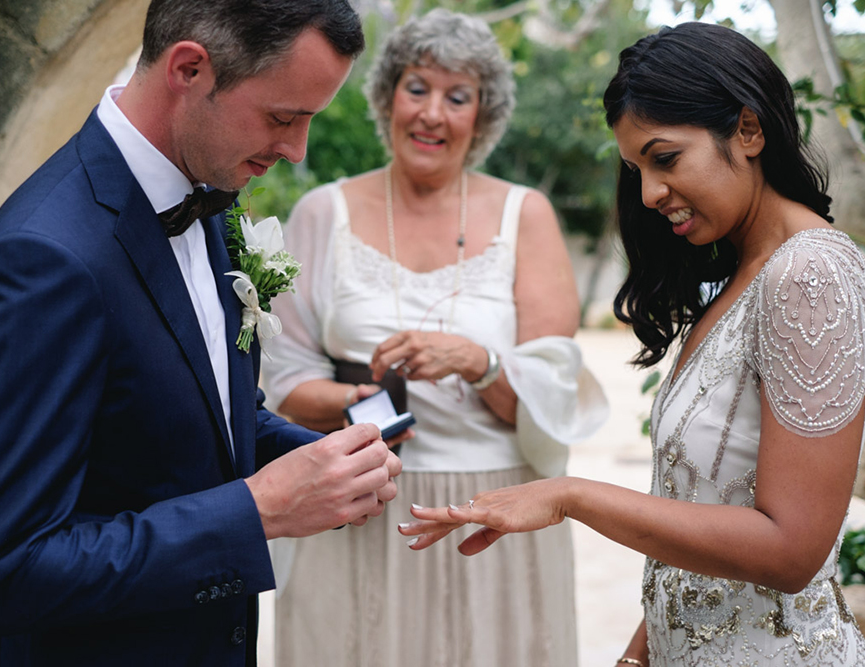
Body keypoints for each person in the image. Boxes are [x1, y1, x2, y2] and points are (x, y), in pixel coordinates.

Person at [401, 21, 865, 667]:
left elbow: (792, 551)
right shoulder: (744, 275)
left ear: (748, 130)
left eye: (665, 158)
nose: (650, 193)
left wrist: (572, 495)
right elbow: (701, 522)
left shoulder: (810, 274)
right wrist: (637, 656)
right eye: (637, 170)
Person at [0, 2, 403, 665]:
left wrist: (328, 462)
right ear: (189, 69)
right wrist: (258, 511)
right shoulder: (41, 259)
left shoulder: (206, 190)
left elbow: (208, 416)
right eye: (283, 117)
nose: (296, 150)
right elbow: (6, 572)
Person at [260, 8, 607, 666]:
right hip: (361, 499)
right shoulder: (322, 212)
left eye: (458, 97)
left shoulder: (525, 215)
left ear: (483, 114)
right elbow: (285, 381)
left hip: (495, 514)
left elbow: (550, 407)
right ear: (387, 95)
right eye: (417, 88)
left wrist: (479, 362)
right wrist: (359, 402)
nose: (432, 114)